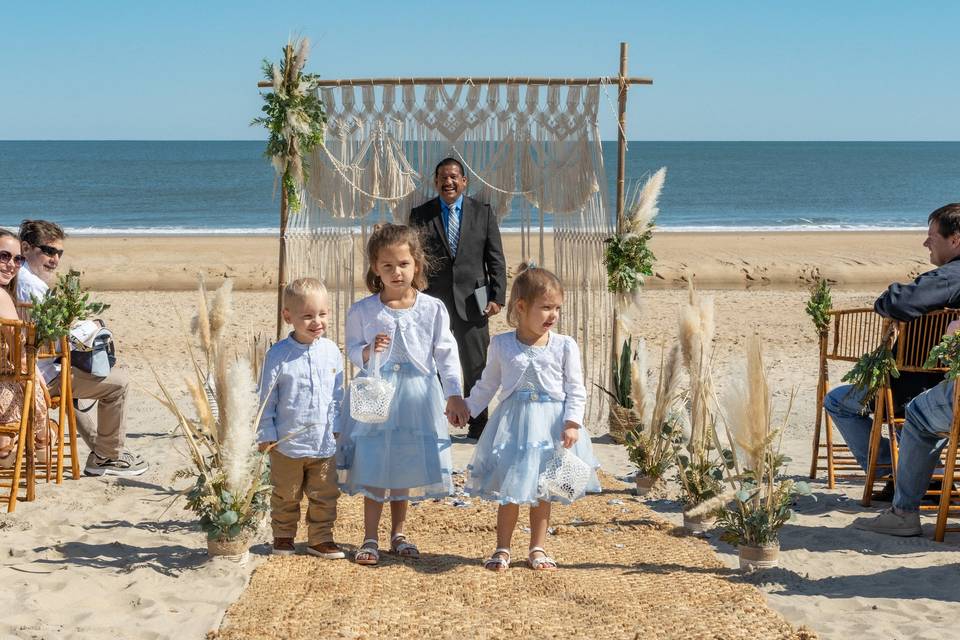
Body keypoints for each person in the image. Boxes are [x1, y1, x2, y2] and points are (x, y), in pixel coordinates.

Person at [337, 224, 469, 566]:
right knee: (375, 463)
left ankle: (398, 533)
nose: (397, 272)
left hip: (417, 396)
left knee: (404, 464)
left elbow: (446, 352)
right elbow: (351, 350)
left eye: (404, 264)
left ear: (417, 265)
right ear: (375, 269)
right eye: (387, 266)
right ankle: (369, 535)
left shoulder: (432, 308)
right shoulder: (363, 310)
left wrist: (454, 393)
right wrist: (367, 351)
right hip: (377, 397)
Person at [829, 203, 960, 537]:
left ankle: (895, 477)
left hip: (910, 382)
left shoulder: (950, 276)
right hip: (937, 379)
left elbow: (900, 302)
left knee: (839, 401)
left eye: (932, 236)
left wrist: (887, 297)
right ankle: (904, 472)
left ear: (955, 239)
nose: (925, 243)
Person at [464, 263, 600, 570]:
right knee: (511, 489)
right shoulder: (501, 344)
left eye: (557, 308)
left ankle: (538, 547)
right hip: (513, 427)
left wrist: (572, 422)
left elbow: (575, 388)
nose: (553, 315)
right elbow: (488, 384)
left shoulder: (564, 346)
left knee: (544, 490)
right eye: (545, 308)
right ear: (521, 307)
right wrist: (468, 409)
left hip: (552, 427)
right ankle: (502, 548)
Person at [16, 219, 147, 477]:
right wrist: (86, 331)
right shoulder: (31, 287)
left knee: (75, 384)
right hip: (37, 374)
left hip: (30, 369)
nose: (55, 259)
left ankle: (101, 449)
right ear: (26, 248)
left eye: (59, 253)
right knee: (118, 383)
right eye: (48, 251)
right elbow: (49, 342)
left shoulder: (17, 277)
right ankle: (108, 456)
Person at [409, 158, 507, 439]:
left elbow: (496, 259)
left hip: (475, 300)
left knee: (476, 364)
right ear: (435, 181)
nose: (448, 182)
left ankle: (478, 425)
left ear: (464, 181)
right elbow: (415, 260)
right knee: (436, 362)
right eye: (442, 177)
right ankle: (440, 423)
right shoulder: (420, 215)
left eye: (454, 177)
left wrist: (497, 296)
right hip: (433, 301)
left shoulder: (483, 213)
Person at [257, 277, 346, 558]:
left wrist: (338, 427)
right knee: (286, 493)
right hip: (287, 443)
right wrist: (266, 434)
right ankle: (283, 536)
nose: (316, 321)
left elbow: (337, 394)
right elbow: (266, 398)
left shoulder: (331, 351)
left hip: (322, 443)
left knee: (325, 493)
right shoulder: (279, 355)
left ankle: (320, 538)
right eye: (307, 316)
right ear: (288, 316)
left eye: (322, 314)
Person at [0, 228, 50, 468]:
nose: (12, 264)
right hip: (5, 384)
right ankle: (33, 441)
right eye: (4, 256)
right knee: (36, 388)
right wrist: (37, 375)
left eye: (18, 259)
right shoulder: (1, 297)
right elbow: (20, 358)